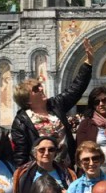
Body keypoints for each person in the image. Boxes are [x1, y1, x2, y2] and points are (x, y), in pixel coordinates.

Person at [11, 38, 94, 168]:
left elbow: (75, 89)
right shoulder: (21, 120)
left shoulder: (56, 105)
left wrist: (88, 62)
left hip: (65, 168)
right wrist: (22, 176)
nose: (40, 88)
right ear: (27, 100)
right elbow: (20, 153)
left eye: (39, 85)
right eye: (35, 89)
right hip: (39, 171)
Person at [11, 136, 75, 193]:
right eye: (42, 150)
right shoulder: (22, 174)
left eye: (51, 149)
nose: (46, 153)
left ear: (55, 153)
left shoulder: (67, 173)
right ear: (35, 153)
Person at [74, 86, 106, 180]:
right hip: (93, 176)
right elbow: (80, 152)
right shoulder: (86, 124)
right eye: (96, 102)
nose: (101, 104)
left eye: (105, 100)